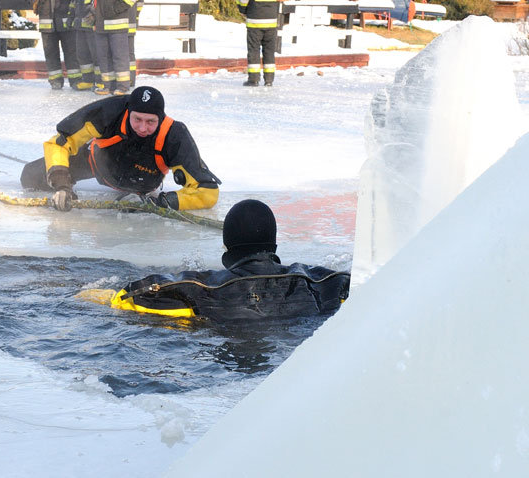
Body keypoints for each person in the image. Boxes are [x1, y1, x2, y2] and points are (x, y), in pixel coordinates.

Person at [107, 199, 351, 321]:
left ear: (227, 246)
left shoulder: (205, 287)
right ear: (273, 243)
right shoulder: (315, 280)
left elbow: (126, 297)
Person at [20, 85, 221, 211]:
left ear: (161, 118)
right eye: (137, 120)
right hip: (96, 164)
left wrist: (164, 201)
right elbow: (60, 142)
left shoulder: (174, 135)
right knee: (29, 175)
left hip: (142, 184)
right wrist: (62, 185)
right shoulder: (108, 113)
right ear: (128, 112)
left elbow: (207, 191)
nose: (143, 128)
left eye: (151, 122)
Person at [35, 0, 81, 90]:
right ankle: (55, 80)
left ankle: (76, 79)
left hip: (67, 19)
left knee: (72, 52)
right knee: (50, 52)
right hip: (47, 19)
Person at [236, 0, 280, 87]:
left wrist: (243, 9)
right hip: (271, 21)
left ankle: (254, 79)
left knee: (254, 50)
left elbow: (243, 1)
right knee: (269, 51)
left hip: (255, 20)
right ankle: (269, 80)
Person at [93, 0, 133, 95]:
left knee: (120, 57)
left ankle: (123, 87)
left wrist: (115, 9)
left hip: (117, 24)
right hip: (100, 24)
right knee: (104, 57)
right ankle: (108, 86)